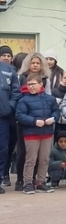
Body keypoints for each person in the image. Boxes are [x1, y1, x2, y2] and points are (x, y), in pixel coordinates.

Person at [16, 73, 60, 194]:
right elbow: (20, 116)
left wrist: (53, 118)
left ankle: (41, 182)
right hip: (31, 134)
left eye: (33, 84)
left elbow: (56, 111)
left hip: (47, 133)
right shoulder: (23, 100)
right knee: (31, 159)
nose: (31, 87)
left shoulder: (50, 99)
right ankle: (28, 183)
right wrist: (34, 121)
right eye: (29, 84)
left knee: (44, 159)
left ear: (41, 84)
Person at [0, 50, 21, 194]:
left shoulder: (9, 70)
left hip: (3, 118)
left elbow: (16, 92)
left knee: (2, 149)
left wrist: (10, 107)